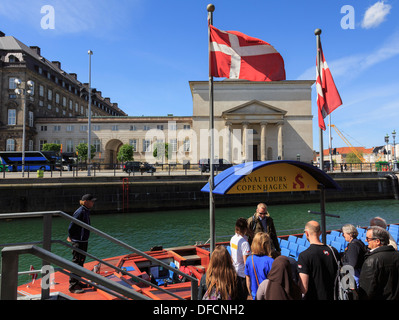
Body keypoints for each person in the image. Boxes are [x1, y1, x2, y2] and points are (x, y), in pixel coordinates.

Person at [297, 221, 339, 300]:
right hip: (333, 296)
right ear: (320, 233)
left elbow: (303, 289)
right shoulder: (333, 251)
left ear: (306, 233)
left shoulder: (304, 256)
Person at [358, 226, 399, 300]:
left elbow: (367, 292)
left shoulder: (372, 260)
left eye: (368, 239)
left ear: (377, 241)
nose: (366, 240)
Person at [67, 194, 96, 293]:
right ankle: (73, 286)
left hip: (83, 240)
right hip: (78, 241)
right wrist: (71, 236)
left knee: (81, 262)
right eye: (91, 201)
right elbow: (72, 225)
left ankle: (78, 282)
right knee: (77, 262)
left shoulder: (86, 211)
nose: (93, 203)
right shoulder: (80, 212)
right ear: (86, 201)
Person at [245, 232, 274, 300]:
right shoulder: (270, 261)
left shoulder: (249, 259)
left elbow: (248, 280)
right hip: (267, 295)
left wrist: (250, 294)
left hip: (255, 295)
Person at [230, 218, 251, 295]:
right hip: (242, 274)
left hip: (235, 271)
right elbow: (246, 262)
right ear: (245, 228)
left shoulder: (233, 239)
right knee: (242, 295)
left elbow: (232, 255)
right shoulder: (244, 243)